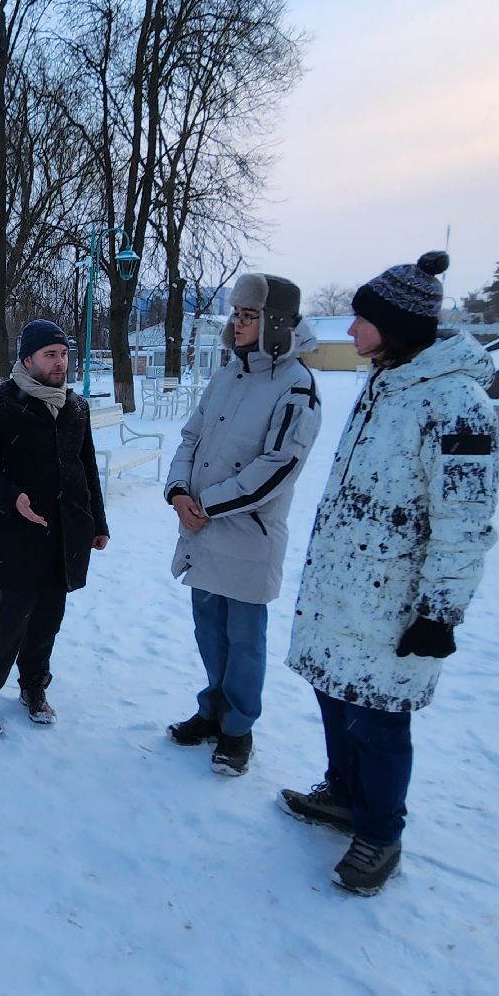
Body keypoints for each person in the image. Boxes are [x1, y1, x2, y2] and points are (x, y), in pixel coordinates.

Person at [280, 250, 499, 895]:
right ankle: (344, 796)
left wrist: (439, 613)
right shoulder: (385, 380)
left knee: (377, 720)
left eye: (360, 320)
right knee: (334, 697)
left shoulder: (459, 406)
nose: (349, 332)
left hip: (396, 602)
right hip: (343, 588)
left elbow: (465, 523)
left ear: (396, 324)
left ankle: (380, 834)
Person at [164, 274, 322, 775]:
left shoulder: (297, 385)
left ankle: (238, 730)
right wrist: (179, 492)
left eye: (248, 316)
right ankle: (211, 711)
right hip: (203, 530)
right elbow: (191, 436)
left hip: (247, 537)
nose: (237, 323)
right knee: (209, 633)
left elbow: (278, 467)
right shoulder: (228, 374)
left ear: (275, 322)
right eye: (236, 314)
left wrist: (207, 504)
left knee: (244, 642)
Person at [0, 319, 109, 735]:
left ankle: (33, 686)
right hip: (19, 533)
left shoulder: (75, 406)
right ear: (28, 358)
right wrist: (12, 497)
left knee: (49, 616)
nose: (60, 362)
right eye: (50, 355)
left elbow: (87, 466)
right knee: (12, 616)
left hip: (66, 533)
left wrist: (98, 522)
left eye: (63, 354)